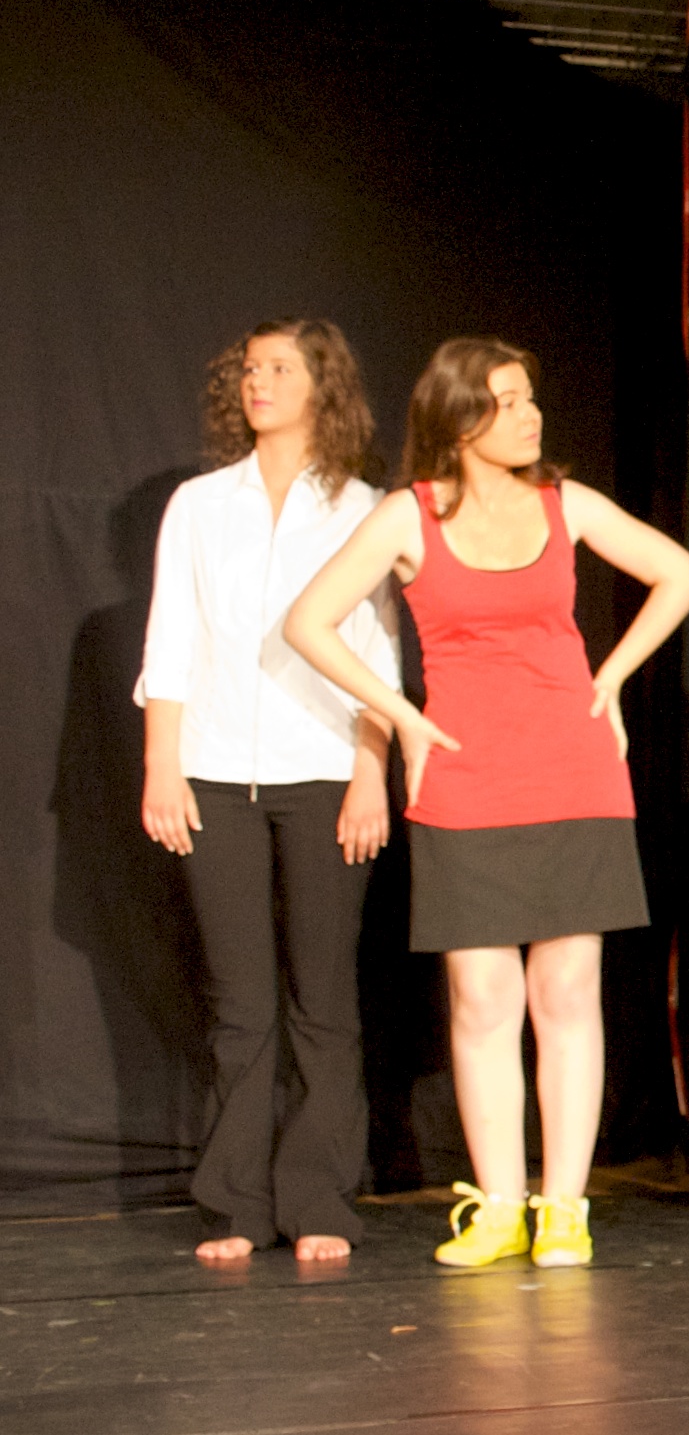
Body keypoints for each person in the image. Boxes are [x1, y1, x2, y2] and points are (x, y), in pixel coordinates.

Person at [285, 337, 689, 1270]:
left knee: (568, 993)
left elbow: (682, 573)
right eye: (508, 401)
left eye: (529, 397)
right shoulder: (410, 515)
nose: (531, 414)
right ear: (459, 417)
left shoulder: (567, 503)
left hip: (574, 771)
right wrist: (403, 716)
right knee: (482, 1000)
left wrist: (611, 678)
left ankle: (565, 1208)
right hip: (466, 777)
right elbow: (307, 620)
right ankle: (502, 1206)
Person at [137, 318, 396, 1265]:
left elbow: (379, 654)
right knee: (239, 1001)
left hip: (326, 768)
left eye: (280, 367)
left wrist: (372, 769)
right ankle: (235, 1205)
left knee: (323, 996)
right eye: (250, 368)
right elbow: (171, 634)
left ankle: (319, 1196)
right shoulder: (200, 505)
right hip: (214, 770)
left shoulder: (367, 508)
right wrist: (162, 762)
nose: (259, 381)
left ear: (323, 385)